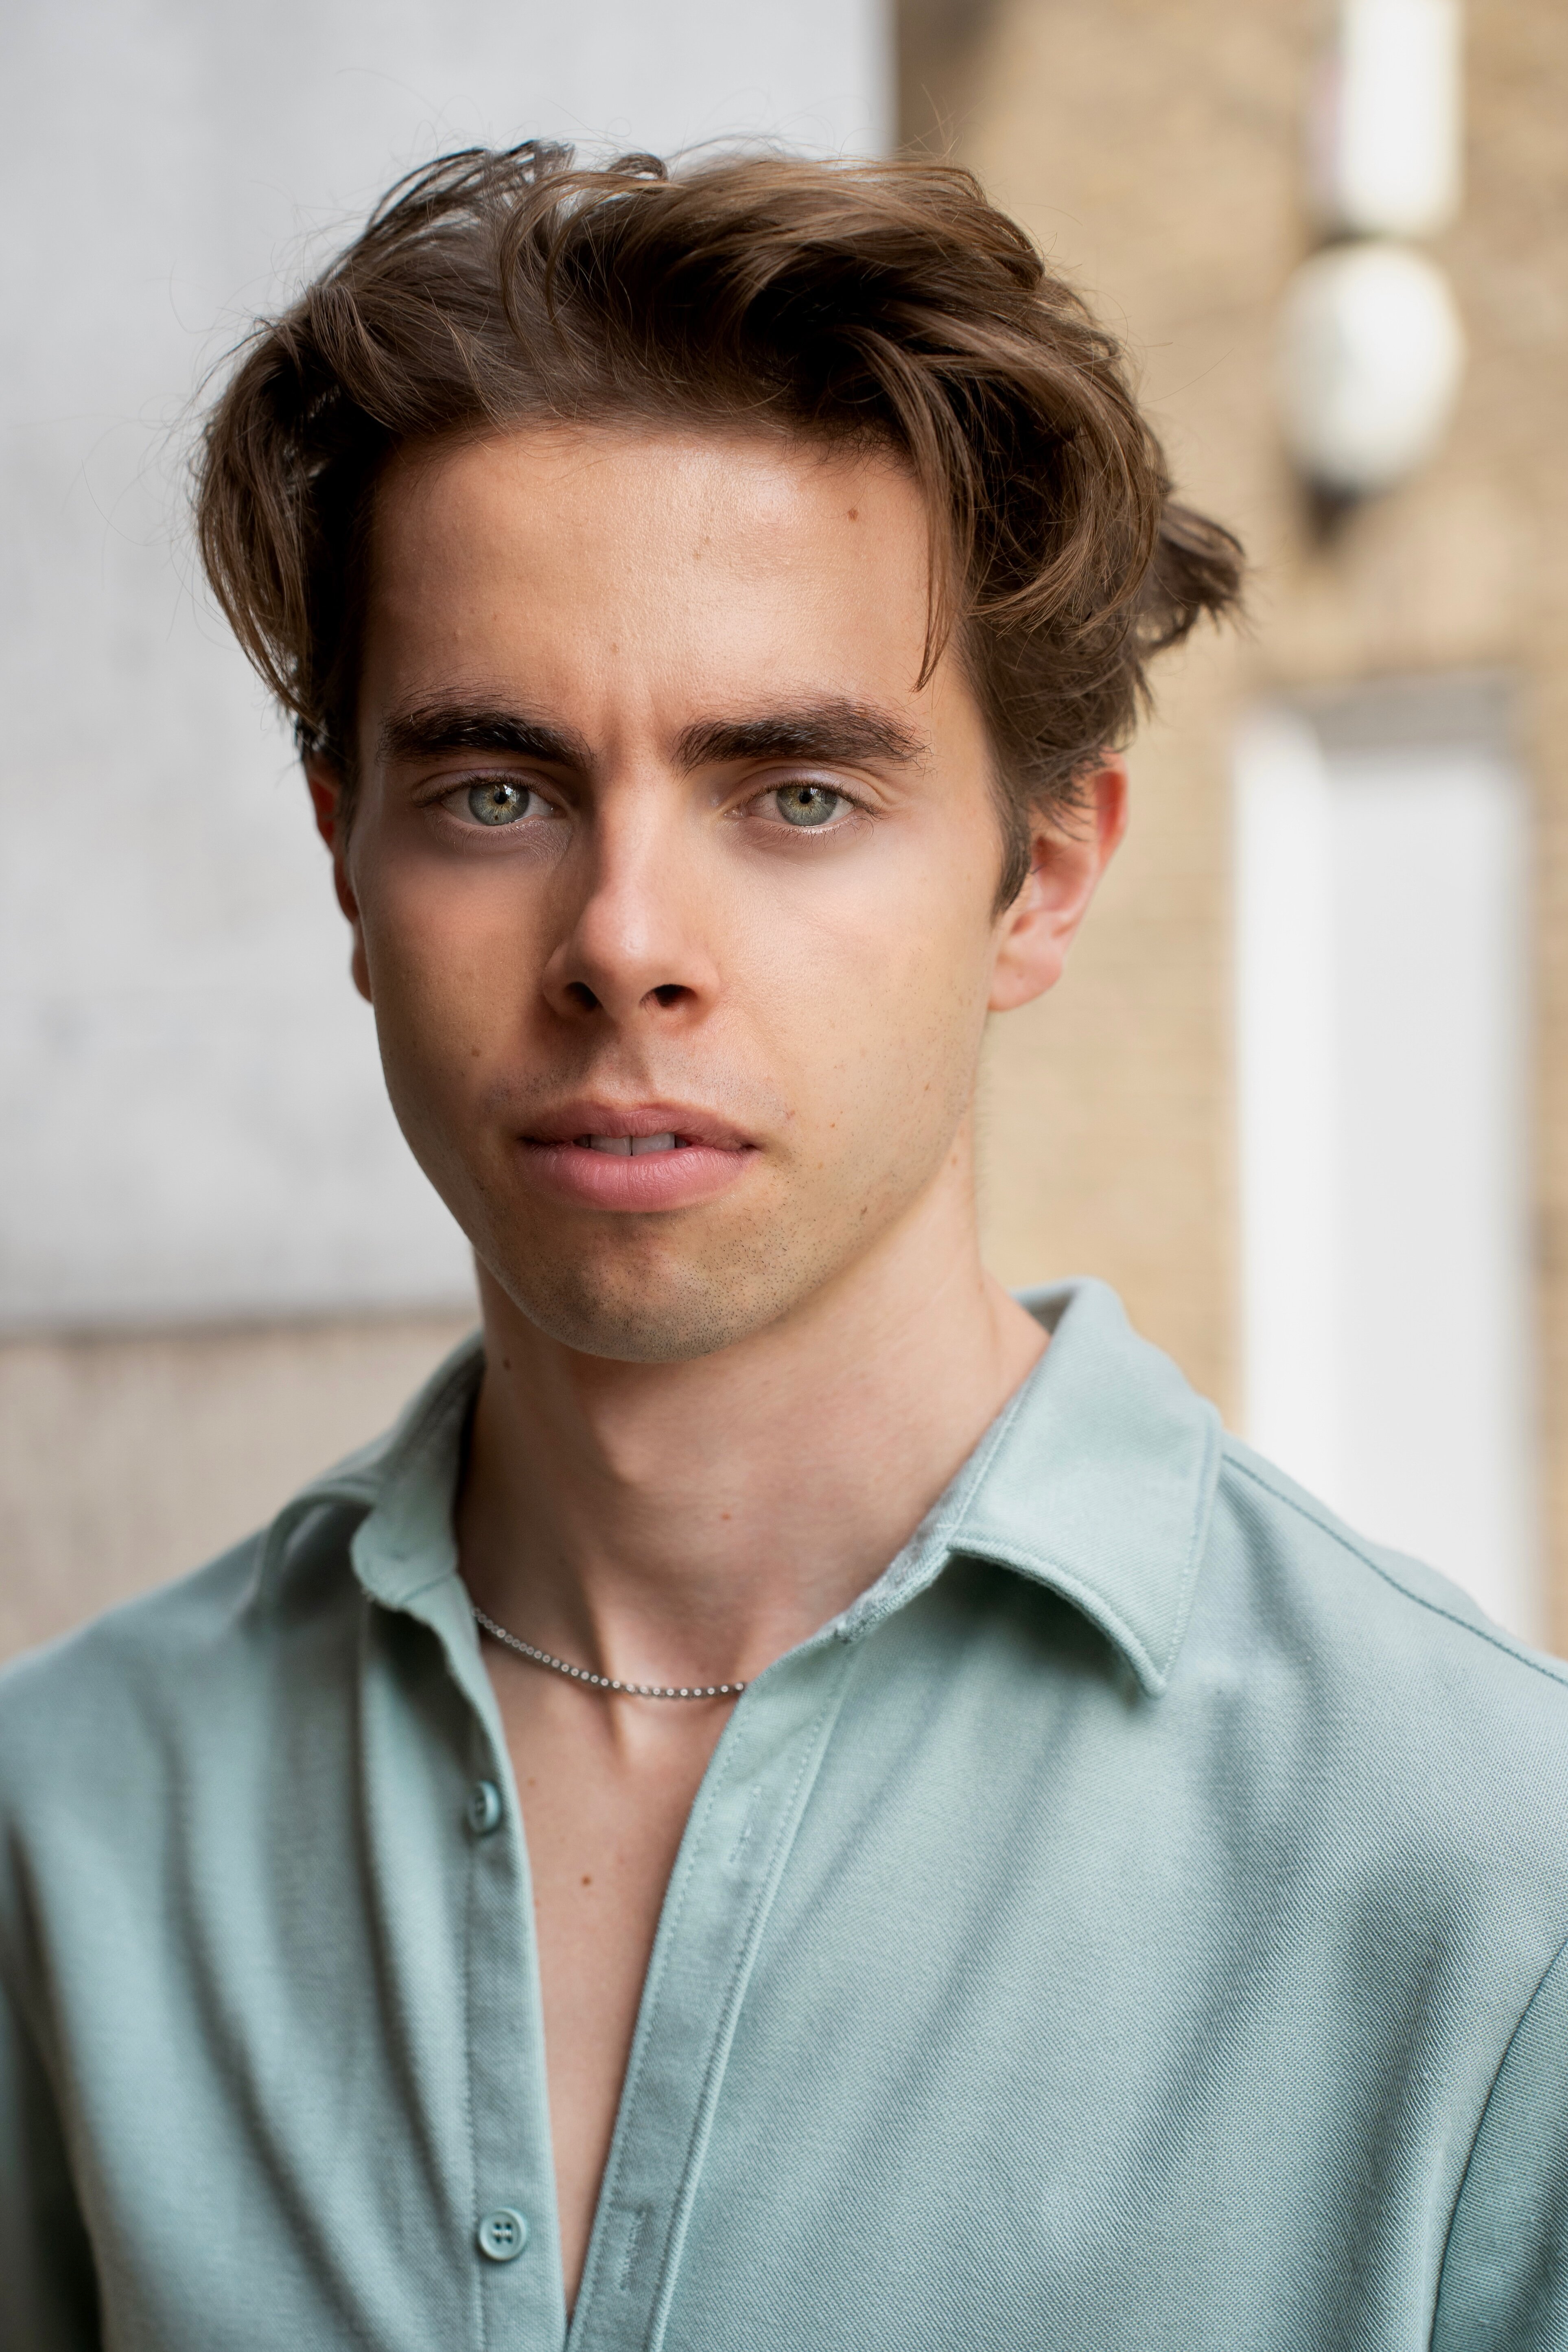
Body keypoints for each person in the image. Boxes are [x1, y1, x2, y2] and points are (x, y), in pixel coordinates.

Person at [2, 142, 1566, 2352]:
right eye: (496, 791)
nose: (625, 941)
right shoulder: (68, 1824)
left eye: (796, 794)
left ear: (1042, 876)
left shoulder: (1492, 1877)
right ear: (346, 857)